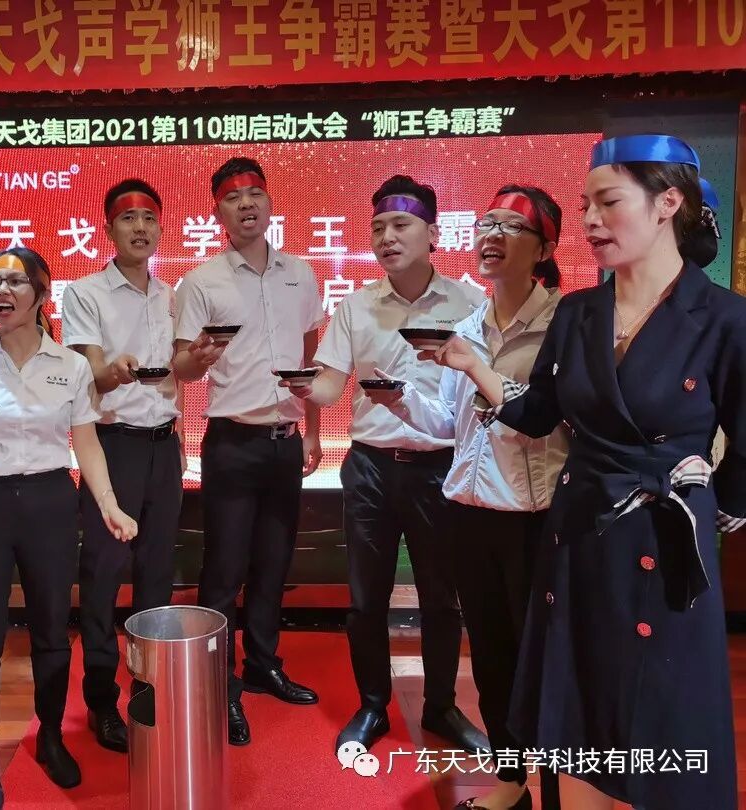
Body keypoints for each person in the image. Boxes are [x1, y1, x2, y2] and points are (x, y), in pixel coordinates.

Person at [423, 134, 744, 810]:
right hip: (578, 540)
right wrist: (475, 367)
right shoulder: (578, 312)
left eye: (608, 202)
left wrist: (715, 504)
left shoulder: (724, 317)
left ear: (668, 203)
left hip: (666, 546)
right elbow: (540, 412)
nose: (591, 221)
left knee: (662, 719)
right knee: (577, 724)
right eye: (586, 206)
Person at [284, 175, 488, 755]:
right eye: (377, 228)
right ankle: (373, 704)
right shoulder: (357, 306)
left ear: (433, 234)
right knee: (366, 598)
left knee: (440, 598)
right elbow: (330, 386)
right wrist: (302, 385)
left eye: (400, 225)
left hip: (440, 469)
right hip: (371, 468)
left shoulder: (470, 304)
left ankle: (442, 707)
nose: (386, 238)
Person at [379, 186, 567, 810]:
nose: (491, 235)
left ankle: (560, 787)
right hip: (470, 512)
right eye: (486, 223)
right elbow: (453, 426)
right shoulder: (466, 328)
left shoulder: (564, 325)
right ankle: (512, 783)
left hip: (536, 519)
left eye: (511, 226)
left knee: (543, 659)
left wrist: (478, 370)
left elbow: (545, 420)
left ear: (544, 249)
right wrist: (400, 399)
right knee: (489, 656)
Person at [0, 247, 138, 802]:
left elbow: (86, 443)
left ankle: (50, 735)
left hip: (51, 502)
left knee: (51, 630)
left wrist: (109, 504)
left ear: (42, 294)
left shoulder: (70, 366)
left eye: (15, 281)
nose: (1, 291)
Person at [173, 157, 324, 746]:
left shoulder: (301, 274)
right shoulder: (201, 282)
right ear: (218, 212)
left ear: (269, 203)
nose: (246, 206)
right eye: (234, 199)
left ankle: (263, 664)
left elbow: (309, 358)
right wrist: (196, 358)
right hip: (232, 442)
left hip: (285, 441)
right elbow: (182, 368)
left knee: (273, 563)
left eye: (255, 194)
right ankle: (222, 683)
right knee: (224, 569)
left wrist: (313, 430)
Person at [61, 179, 182, 754]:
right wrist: (117, 370)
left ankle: (151, 694)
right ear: (107, 229)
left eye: (149, 218)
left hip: (165, 445)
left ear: (160, 228)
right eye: (129, 218)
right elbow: (92, 375)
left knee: (157, 576)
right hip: (112, 446)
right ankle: (102, 701)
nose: (140, 227)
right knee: (105, 575)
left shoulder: (170, 294)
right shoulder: (86, 293)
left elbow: (181, 372)